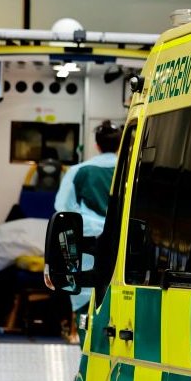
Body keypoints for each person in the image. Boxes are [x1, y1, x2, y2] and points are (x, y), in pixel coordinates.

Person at [54, 120, 121, 342]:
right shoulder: (130, 173)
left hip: (90, 256)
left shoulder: (79, 172)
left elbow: (63, 210)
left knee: (89, 324)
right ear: (121, 144)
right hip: (127, 256)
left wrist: (94, 225)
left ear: (97, 145)